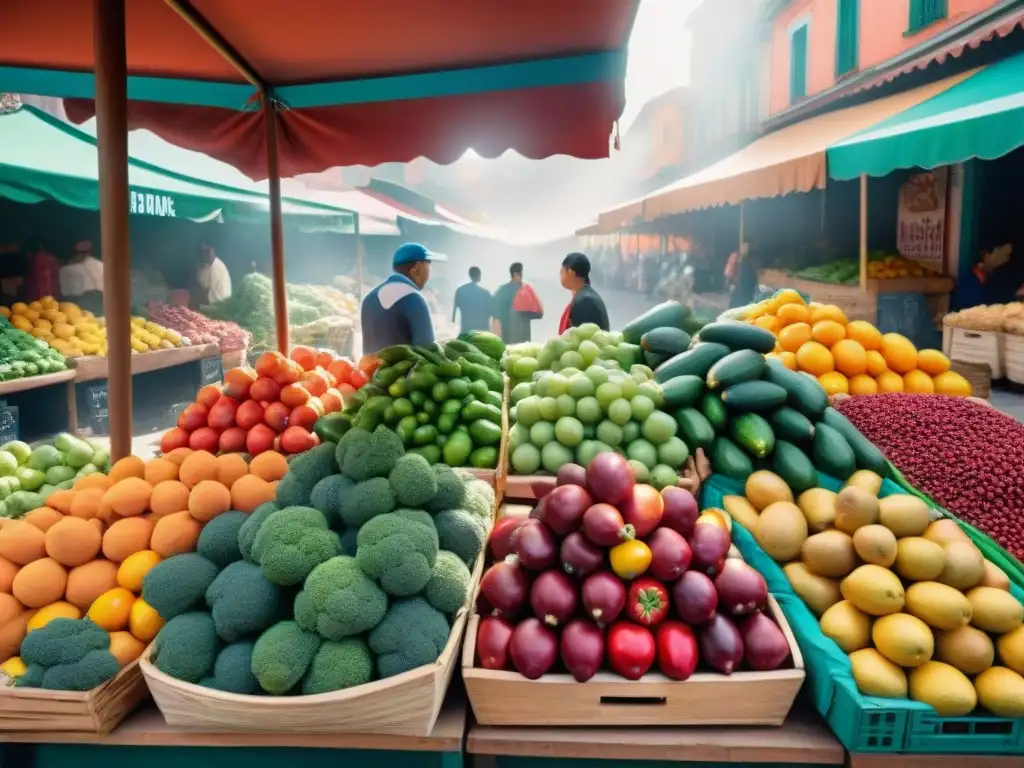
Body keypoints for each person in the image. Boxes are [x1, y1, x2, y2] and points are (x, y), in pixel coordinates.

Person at [361, 242, 436, 354]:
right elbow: (427, 351)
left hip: (368, 371)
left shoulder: (369, 298)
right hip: (407, 371)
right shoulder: (413, 299)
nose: (429, 272)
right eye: (428, 265)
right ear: (416, 268)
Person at [559, 252, 609, 333]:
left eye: (562, 271)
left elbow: (583, 338)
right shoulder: (583, 295)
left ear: (571, 272)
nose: (560, 276)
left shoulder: (585, 301)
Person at [491, 263, 542, 343]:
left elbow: (495, 319)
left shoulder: (501, 291)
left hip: (517, 340)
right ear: (515, 274)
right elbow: (538, 312)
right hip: (515, 340)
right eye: (520, 274)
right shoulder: (526, 290)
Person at [452, 266, 492, 334]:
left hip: (466, 330)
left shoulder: (460, 290)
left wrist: (453, 319)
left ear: (469, 275)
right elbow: (491, 311)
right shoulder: (485, 292)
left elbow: (455, 310)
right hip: (483, 330)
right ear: (479, 275)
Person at [726, 240, 759, 309]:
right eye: (744, 246)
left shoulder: (751, 260)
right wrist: (730, 281)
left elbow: (754, 277)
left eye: (747, 247)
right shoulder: (735, 256)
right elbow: (729, 271)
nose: (746, 248)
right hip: (738, 285)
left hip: (748, 286)